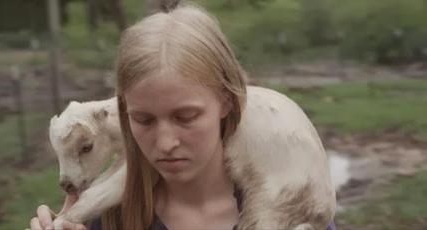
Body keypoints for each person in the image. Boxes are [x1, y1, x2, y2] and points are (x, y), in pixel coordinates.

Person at [30, 3, 335, 230]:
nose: (164, 144)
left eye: (186, 117)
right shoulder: (110, 221)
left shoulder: (294, 214)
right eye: (144, 120)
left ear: (227, 102)